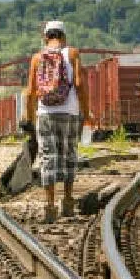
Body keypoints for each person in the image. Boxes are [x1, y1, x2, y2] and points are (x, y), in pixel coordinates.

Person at [25, 20, 89, 223]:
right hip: (69, 112)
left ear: (46, 37)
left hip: (45, 113)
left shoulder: (37, 58)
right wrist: (86, 112)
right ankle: (68, 202)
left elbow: (30, 92)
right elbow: (79, 83)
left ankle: (50, 205)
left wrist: (29, 116)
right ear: (63, 36)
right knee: (69, 155)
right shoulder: (72, 54)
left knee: (48, 158)